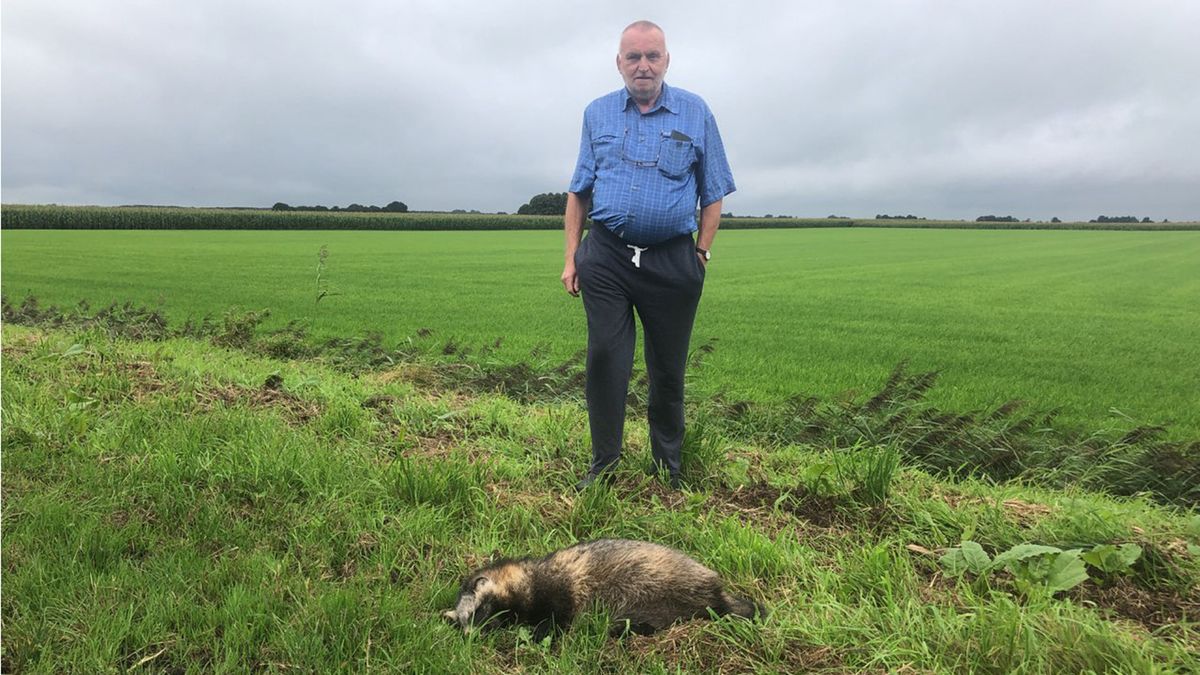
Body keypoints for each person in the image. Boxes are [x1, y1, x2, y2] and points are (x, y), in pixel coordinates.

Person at [561, 20, 735, 490]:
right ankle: (603, 468)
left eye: (652, 56)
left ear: (666, 60)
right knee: (604, 360)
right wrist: (572, 256)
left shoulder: (695, 113)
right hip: (607, 258)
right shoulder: (596, 114)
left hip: (672, 261)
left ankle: (667, 470)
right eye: (633, 57)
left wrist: (700, 252)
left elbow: (714, 190)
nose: (643, 65)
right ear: (619, 62)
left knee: (667, 368)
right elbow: (578, 191)